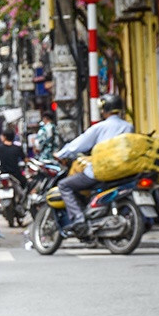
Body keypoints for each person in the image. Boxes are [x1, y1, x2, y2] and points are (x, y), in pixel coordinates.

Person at [55, 94, 134, 235]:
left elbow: (79, 144)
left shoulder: (100, 127)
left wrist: (61, 154)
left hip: (101, 171)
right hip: (123, 171)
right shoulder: (129, 126)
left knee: (64, 185)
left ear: (105, 109)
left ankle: (79, 220)